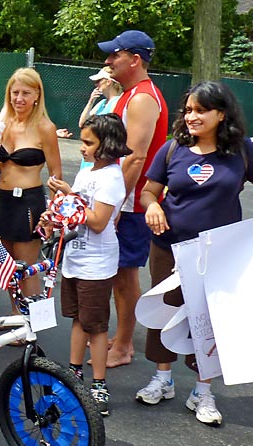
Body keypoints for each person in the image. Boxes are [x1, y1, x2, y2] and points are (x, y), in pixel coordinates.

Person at [137, 81, 253, 425]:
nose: (192, 117)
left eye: (201, 110)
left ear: (221, 114)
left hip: (218, 254)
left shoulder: (242, 151)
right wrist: (152, 206)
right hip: (168, 250)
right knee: (165, 312)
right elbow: (148, 191)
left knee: (207, 322)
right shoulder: (173, 149)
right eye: (188, 110)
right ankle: (162, 378)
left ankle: (203, 391)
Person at [41, 114, 130, 416]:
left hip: (96, 263)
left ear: (108, 145)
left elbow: (98, 221)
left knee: (97, 325)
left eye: (89, 142)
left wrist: (68, 196)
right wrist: (55, 215)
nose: (82, 147)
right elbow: (74, 214)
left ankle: (99, 384)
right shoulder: (87, 172)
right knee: (78, 319)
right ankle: (74, 373)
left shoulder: (112, 179)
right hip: (75, 259)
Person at [97, 30, 168, 368]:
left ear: (135, 59)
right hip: (124, 202)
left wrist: (114, 205)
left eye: (115, 55)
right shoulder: (131, 94)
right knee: (117, 275)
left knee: (124, 276)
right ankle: (121, 336)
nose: (108, 61)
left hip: (132, 204)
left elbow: (136, 158)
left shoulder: (141, 98)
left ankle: (124, 345)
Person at [0, 67, 62, 303]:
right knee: (8, 265)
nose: (19, 99)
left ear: (37, 95)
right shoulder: (4, 123)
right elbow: (3, 166)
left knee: (27, 266)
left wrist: (51, 214)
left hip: (28, 201)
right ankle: (16, 316)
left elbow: (56, 173)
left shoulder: (44, 128)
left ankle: (32, 325)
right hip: (3, 198)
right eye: (14, 93)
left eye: (25, 93)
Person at [77, 66, 122, 170]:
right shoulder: (102, 103)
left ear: (108, 82)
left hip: (101, 156)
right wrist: (91, 101)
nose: (96, 84)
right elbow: (82, 124)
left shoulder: (117, 102)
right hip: (91, 156)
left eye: (99, 81)